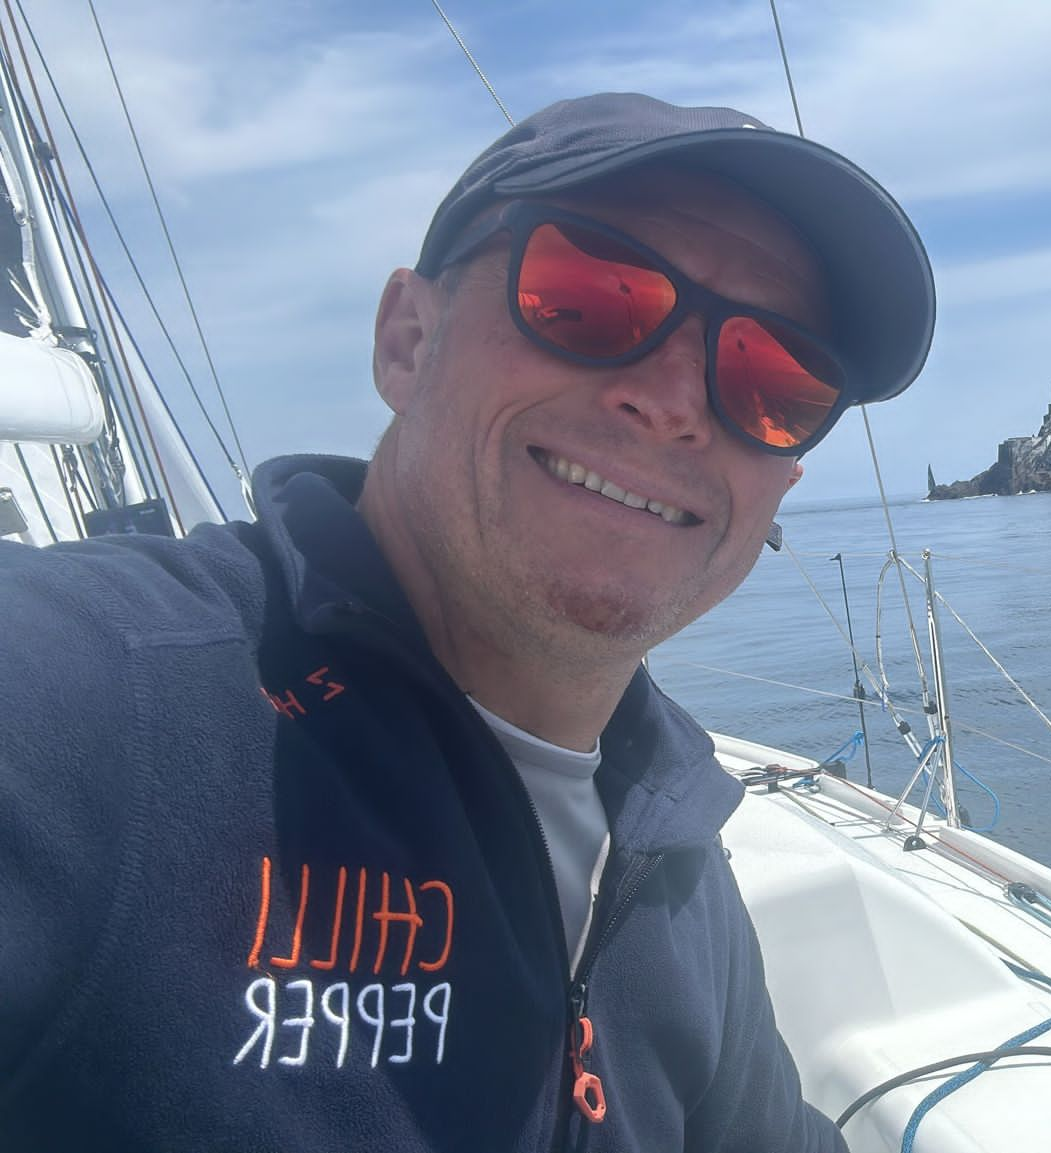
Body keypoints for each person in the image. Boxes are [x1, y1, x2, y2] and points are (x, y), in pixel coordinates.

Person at [0, 93, 935, 1151]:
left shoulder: (670, 840)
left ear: (785, 478)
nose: (675, 399)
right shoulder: (87, 701)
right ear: (407, 340)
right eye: (589, 295)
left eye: (773, 380)